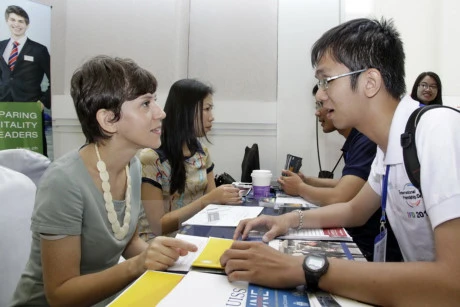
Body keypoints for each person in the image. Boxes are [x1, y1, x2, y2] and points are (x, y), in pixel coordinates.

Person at [220, 18, 460, 306]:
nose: (320, 95)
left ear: (370, 82)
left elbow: (452, 283)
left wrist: (302, 268)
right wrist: (286, 220)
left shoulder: (437, 129)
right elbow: (354, 211)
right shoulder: (390, 145)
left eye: (325, 81)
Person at [10, 56, 197, 306]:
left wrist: (171, 260)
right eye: (145, 103)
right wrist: (138, 265)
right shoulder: (64, 182)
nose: (161, 112)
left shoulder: (132, 164)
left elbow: (126, 240)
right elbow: (60, 296)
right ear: (108, 120)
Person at [279, 85, 401, 261]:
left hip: (368, 248)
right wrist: (308, 181)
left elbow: (341, 196)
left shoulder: (367, 140)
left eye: (322, 103)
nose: (318, 112)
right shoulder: (360, 141)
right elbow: (351, 186)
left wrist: (300, 188)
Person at [138, 78, 241, 240]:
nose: (212, 117)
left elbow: (212, 206)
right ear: (186, 111)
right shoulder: (152, 159)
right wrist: (208, 200)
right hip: (159, 247)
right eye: (207, 109)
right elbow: (158, 226)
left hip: (194, 238)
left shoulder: (202, 154)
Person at [0, 5, 51, 156]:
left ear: (27, 25)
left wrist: (43, 102)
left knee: (35, 151)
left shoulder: (39, 50)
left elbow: (53, 77)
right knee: (6, 152)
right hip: (4, 109)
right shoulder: (0, 47)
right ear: (7, 21)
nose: (17, 24)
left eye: (21, 21)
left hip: (30, 109)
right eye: (13, 20)